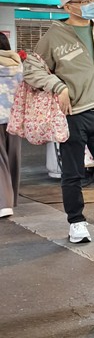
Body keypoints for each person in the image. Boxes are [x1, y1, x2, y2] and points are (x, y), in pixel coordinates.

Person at [24, 0, 94, 244]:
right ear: (68, 6)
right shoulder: (54, 36)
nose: (90, 3)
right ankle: (76, 222)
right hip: (74, 114)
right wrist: (58, 86)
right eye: (84, 0)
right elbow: (32, 70)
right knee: (72, 172)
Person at [0, 34, 23, 219]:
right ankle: (12, 198)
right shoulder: (18, 64)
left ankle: (4, 204)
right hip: (15, 117)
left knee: (1, 161)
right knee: (13, 157)